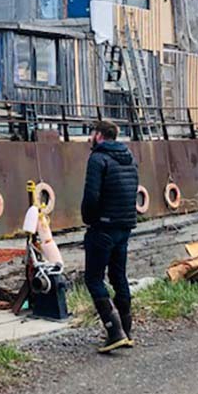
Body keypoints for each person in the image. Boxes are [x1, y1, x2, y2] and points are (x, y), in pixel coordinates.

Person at [81, 120, 138, 353]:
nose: (89, 138)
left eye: (91, 133)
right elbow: (133, 188)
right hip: (124, 226)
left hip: (103, 226)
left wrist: (89, 219)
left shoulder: (98, 159)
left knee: (93, 278)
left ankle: (114, 331)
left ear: (100, 135)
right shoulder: (129, 158)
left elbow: (91, 196)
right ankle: (126, 330)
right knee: (118, 276)